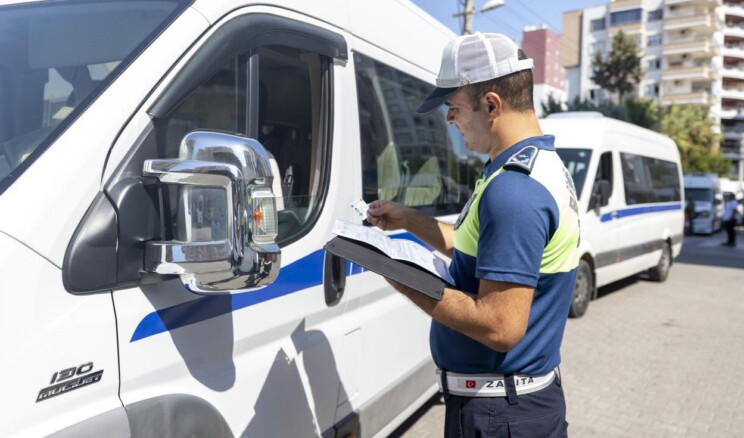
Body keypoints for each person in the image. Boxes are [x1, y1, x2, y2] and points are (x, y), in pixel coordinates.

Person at [367, 33, 580, 437]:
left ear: (491, 104)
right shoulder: (531, 167)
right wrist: (409, 219)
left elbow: (500, 326)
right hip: (513, 407)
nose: (448, 120)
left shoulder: (514, 190)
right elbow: (475, 246)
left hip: (499, 416)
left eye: (453, 107)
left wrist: (399, 275)